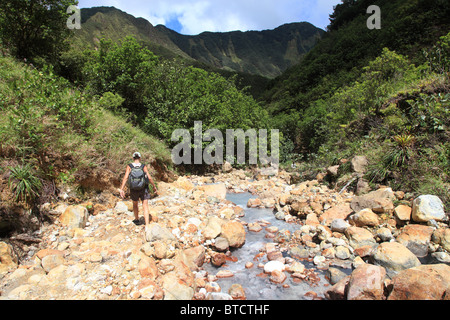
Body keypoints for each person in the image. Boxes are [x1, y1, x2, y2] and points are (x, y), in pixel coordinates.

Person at [119, 152, 158, 227]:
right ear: (140, 158)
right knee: (145, 205)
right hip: (143, 188)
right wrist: (153, 186)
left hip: (133, 188)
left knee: (135, 204)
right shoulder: (143, 166)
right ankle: (147, 224)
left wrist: (122, 189)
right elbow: (149, 177)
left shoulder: (129, 166)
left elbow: (126, 177)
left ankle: (136, 219)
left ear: (133, 158)